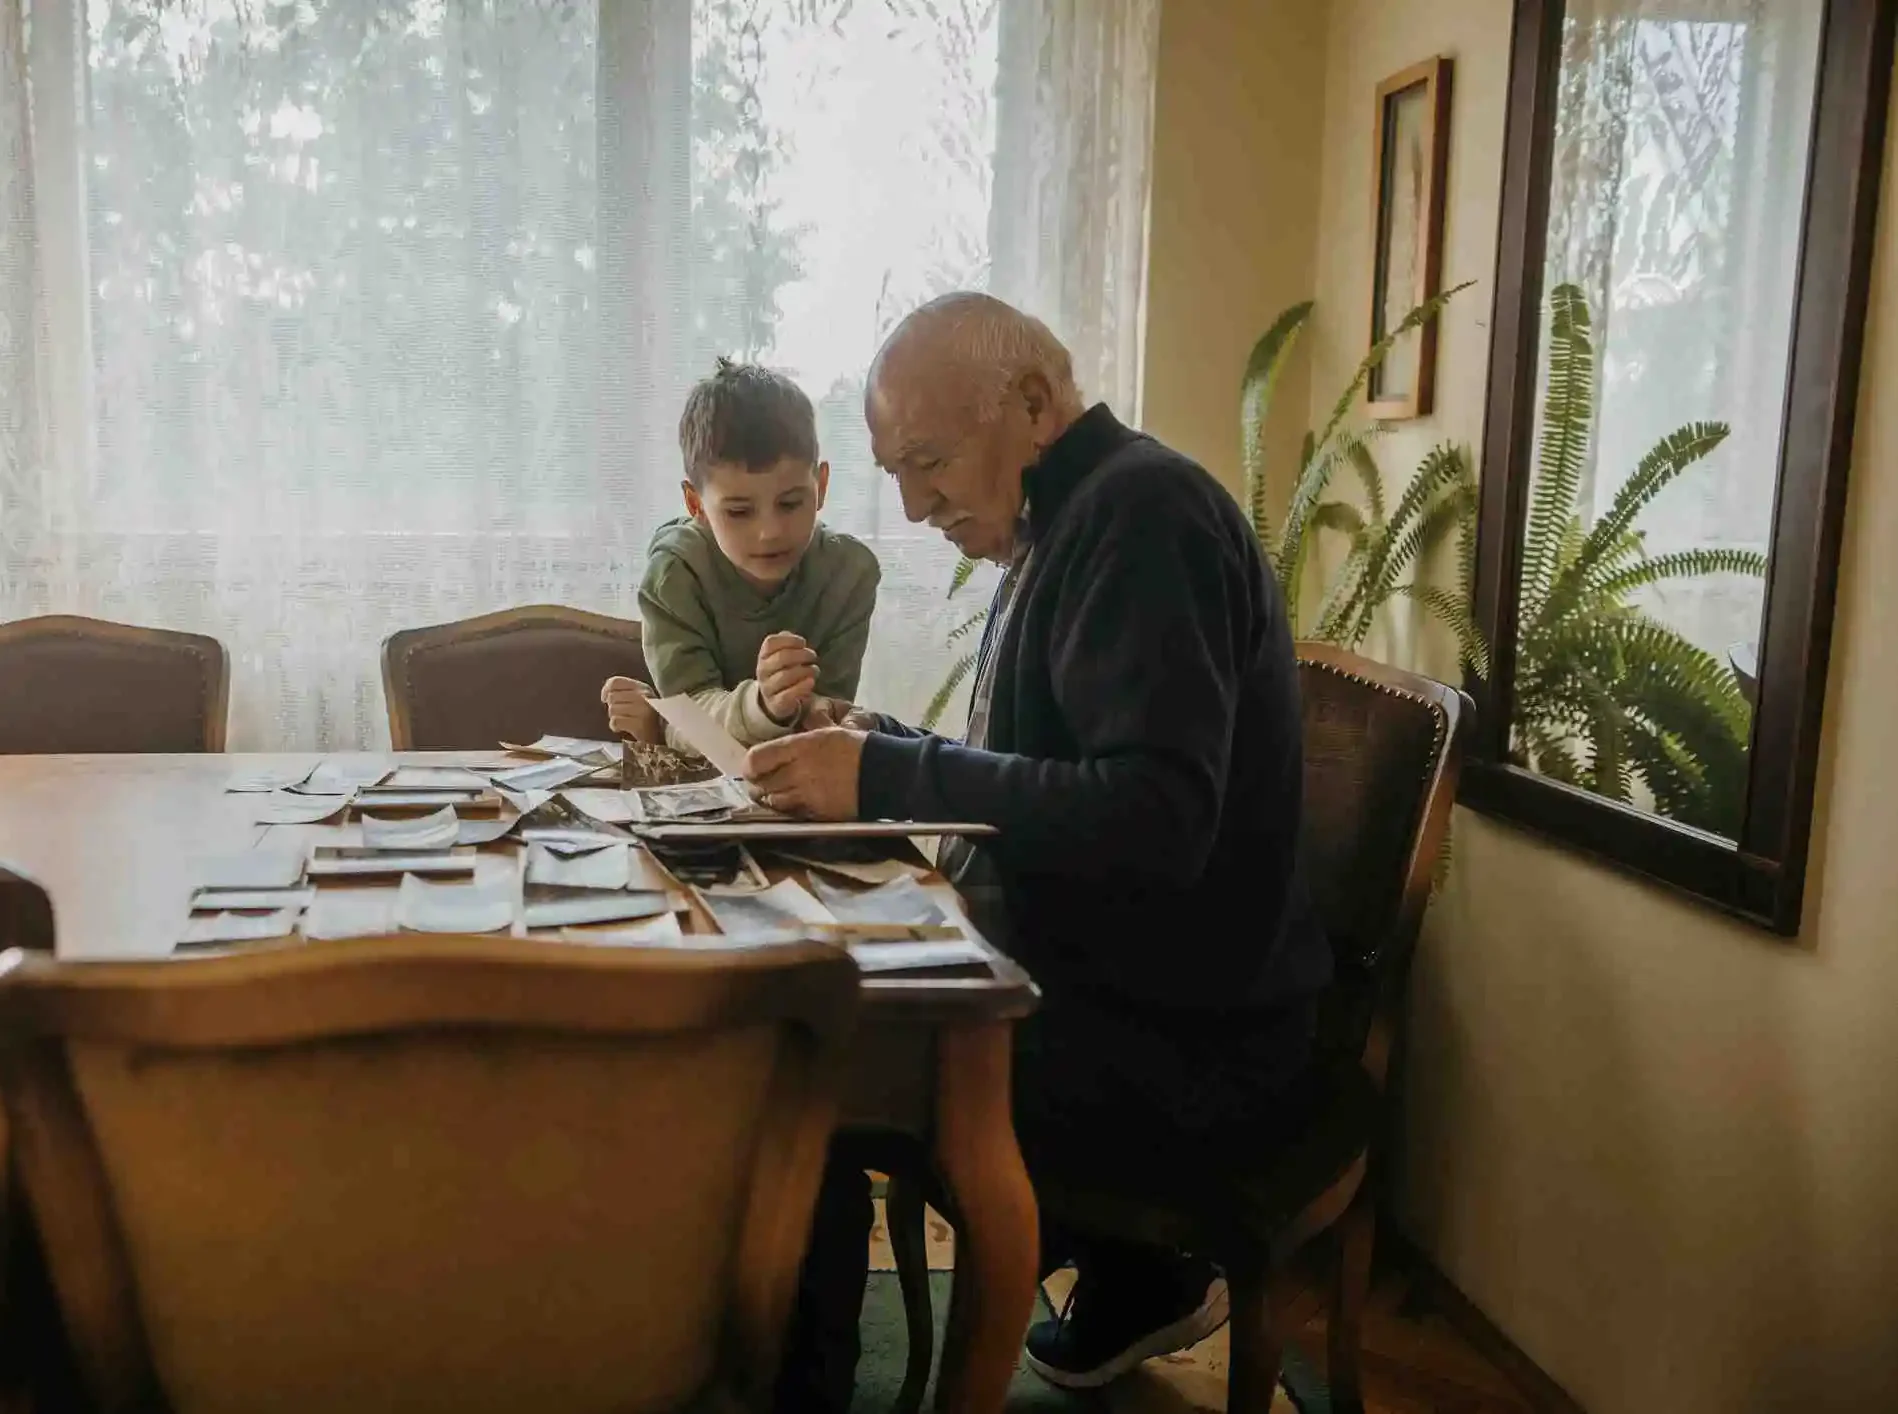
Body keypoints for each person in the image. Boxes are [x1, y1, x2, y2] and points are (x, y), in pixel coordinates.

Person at [743, 292, 1333, 1409]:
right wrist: (881, 739)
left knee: (803, 1065)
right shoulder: (1076, 515)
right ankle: (1126, 1274)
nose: (913, 505)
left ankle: (795, 1387)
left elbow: (1153, 820)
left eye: (927, 461)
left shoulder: (1143, 515)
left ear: (1030, 403)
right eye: (894, 471)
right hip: (1143, 997)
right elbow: (1050, 774)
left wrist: (883, 778)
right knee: (810, 1030)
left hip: (1192, 1045)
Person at [602, 357, 880, 749]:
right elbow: (690, 714)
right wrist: (763, 706)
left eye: (790, 503)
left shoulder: (850, 574)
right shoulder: (674, 574)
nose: (769, 533)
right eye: (738, 512)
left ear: (821, 485)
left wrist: (828, 716)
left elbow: (829, 713)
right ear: (695, 504)